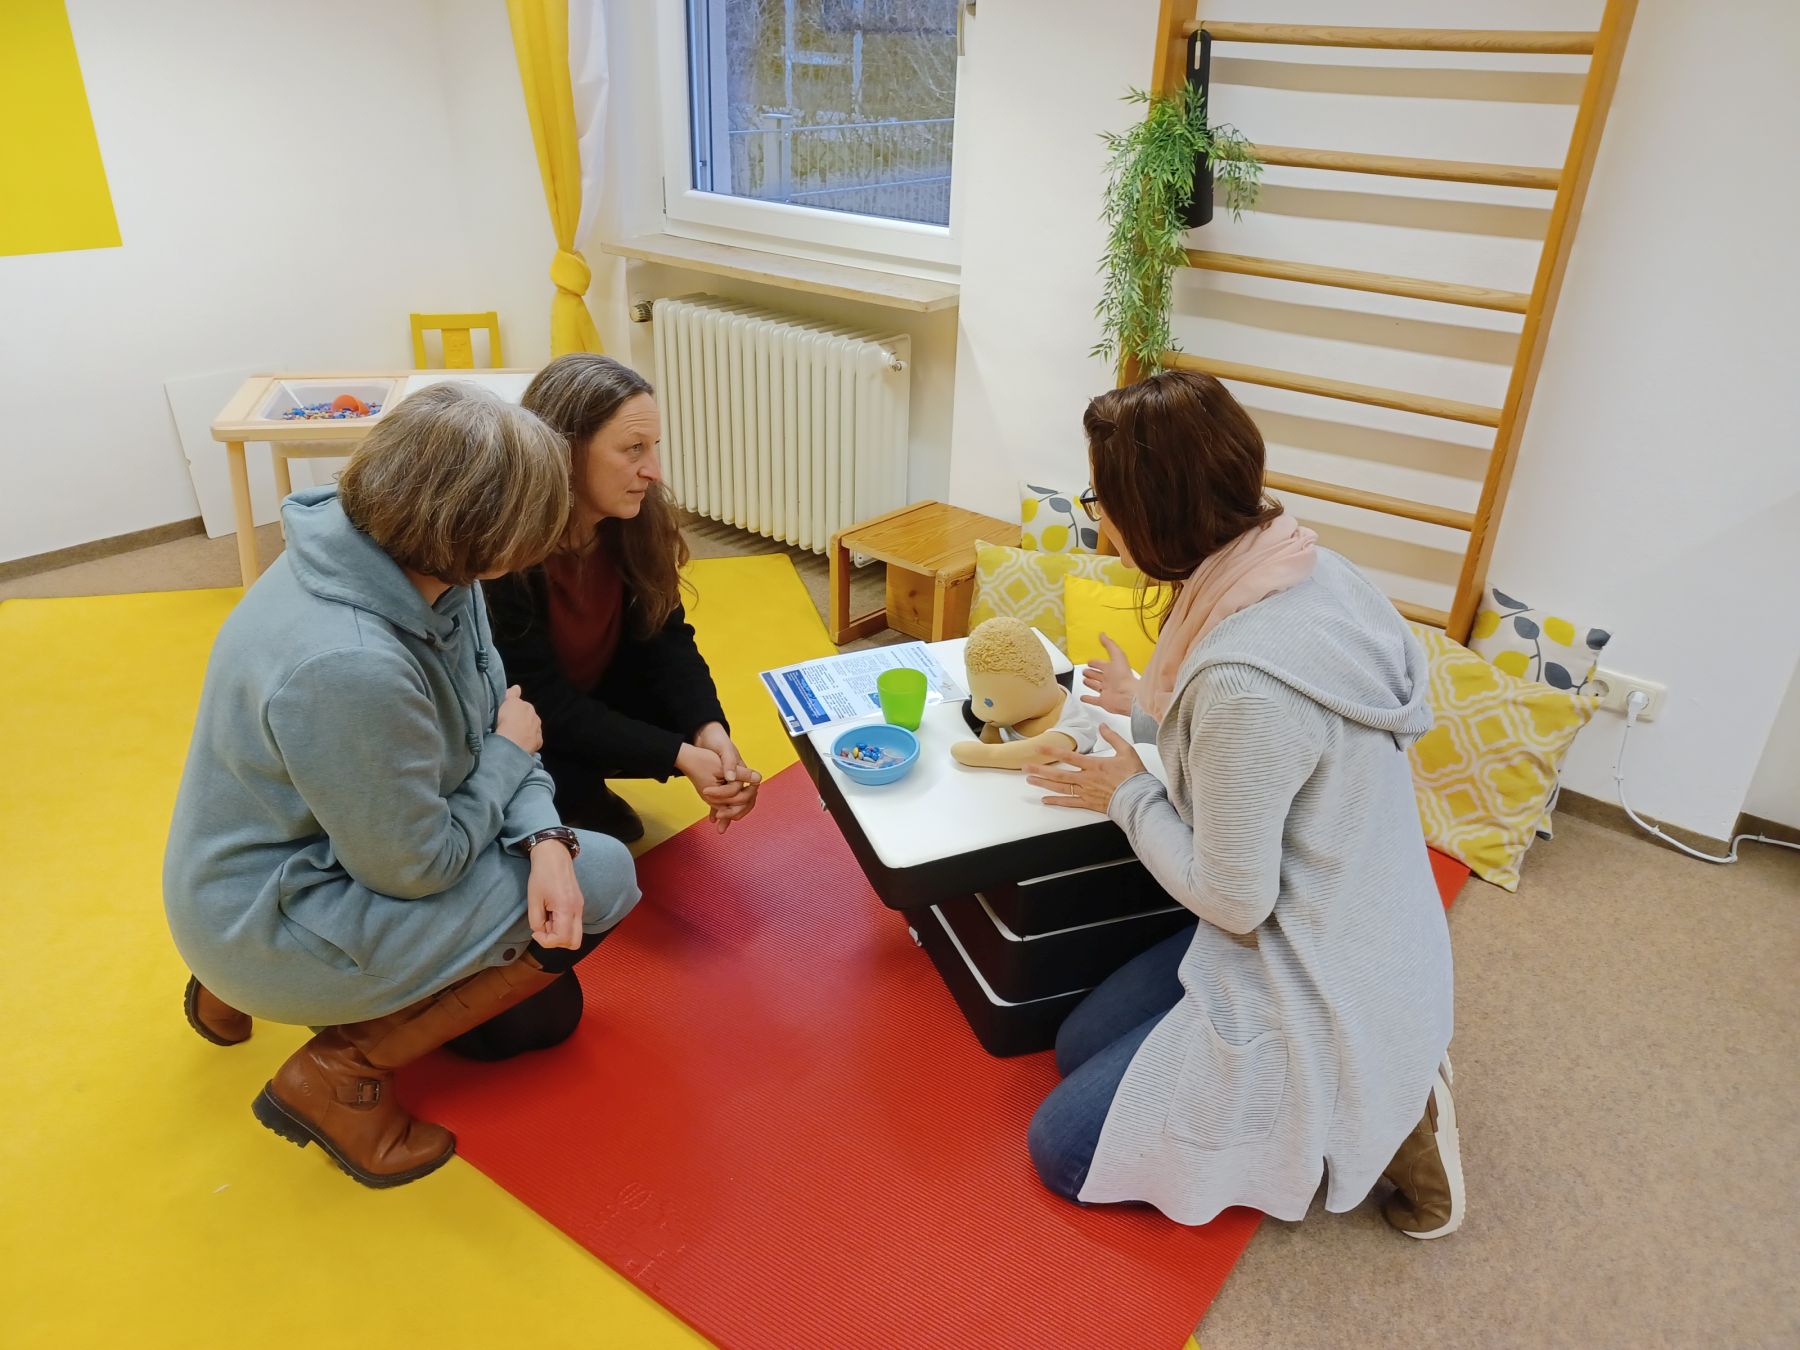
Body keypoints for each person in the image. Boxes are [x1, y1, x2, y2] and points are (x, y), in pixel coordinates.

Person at [164, 382, 641, 1189]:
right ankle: (339, 1074)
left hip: (266, 864)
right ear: (485, 533)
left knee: (548, 972)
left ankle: (235, 989)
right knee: (605, 880)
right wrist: (515, 769)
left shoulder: (405, 556)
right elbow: (422, 858)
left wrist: (545, 837)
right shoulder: (351, 664)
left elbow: (500, 716)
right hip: (272, 911)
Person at [1022, 369, 1461, 1239]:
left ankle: (1400, 1106)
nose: (1100, 522)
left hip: (1310, 961)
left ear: (1154, 510)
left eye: (1104, 501)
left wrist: (1127, 793)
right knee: (1075, 1048)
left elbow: (1234, 898)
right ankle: (1391, 1058)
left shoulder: (1242, 685)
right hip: (1363, 914)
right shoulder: (1301, 562)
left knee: (1062, 1150)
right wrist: (1148, 705)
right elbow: (1273, 748)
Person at [486, 353, 760, 843]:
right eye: (634, 449)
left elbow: (668, 639)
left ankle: (578, 784)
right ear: (566, 451)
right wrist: (677, 755)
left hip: (586, 694)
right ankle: (569, 789)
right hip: (521, 724)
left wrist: (708, 732)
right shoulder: (505, 555)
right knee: (558, 783)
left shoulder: (635, 520)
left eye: (653, 448)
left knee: (680, 708)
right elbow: (538, 699)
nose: (654, 471)